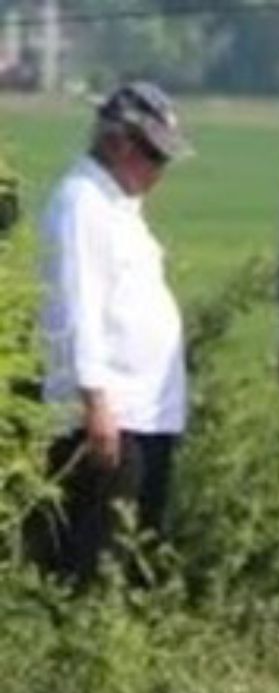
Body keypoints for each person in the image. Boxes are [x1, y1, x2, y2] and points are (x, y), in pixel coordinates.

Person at [30, 82, 191, 586]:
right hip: (108, 417)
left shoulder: (120, 206)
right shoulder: (82, 203)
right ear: (118, 142)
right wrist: (96, 402)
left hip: (148, 414)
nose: (158, 171)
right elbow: (77, 305)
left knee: (135, 555)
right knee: (94, 560)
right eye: (151, 155)